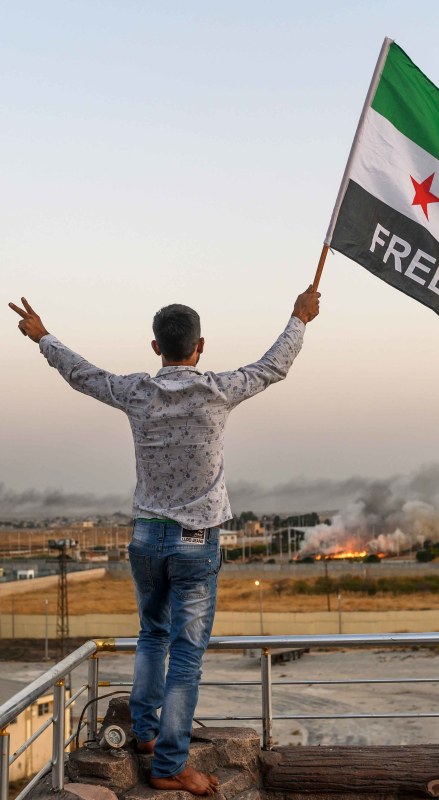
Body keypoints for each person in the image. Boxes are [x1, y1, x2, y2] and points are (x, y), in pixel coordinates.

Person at [8, 288, 320, 795]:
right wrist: (299, 318)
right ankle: (169, 763)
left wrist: (42, 336)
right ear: (200, 347)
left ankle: (149, 736)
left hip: (146, 538)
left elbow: (82, 373)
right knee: (187, 654)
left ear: (156, 347)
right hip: (196, 542)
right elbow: (273, 366)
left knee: (152, 635)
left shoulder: (137, 392)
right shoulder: (218, 389)